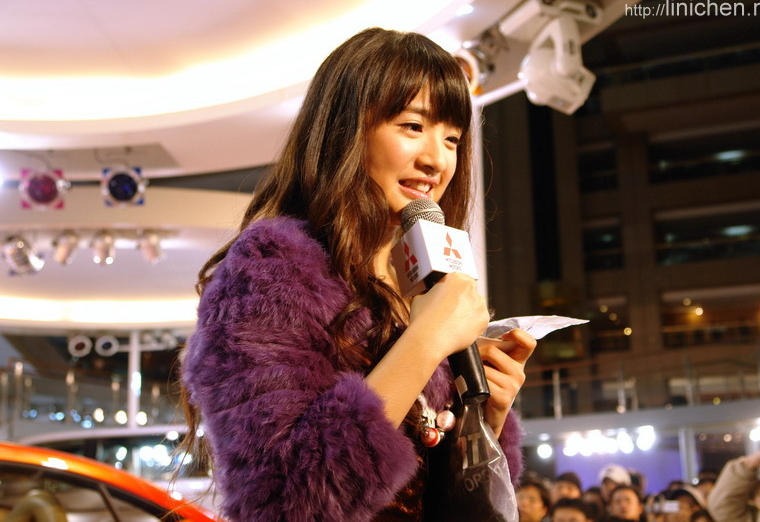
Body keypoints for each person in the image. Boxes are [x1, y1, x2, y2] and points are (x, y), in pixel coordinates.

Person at [178, 27, 538, 521]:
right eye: (412, 126)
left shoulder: (420, 280)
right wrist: (426, 340)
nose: (436, 160)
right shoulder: (271, 270)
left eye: (452, 138)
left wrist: (486, 418)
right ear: (346, 130)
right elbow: (284, 503)